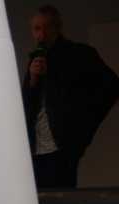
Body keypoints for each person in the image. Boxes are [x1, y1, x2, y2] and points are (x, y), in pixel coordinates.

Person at [22, 5, 119, 189]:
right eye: (37, 28)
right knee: (38, 203)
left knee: (61, 201)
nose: (42, 33)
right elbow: (26, 104)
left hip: (62, 146)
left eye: (48, 26)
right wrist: (32, 80)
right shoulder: (34, 61)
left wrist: (84, 125)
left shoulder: (78, 54)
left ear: (59, 27)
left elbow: (111, 87)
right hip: (34, 148)